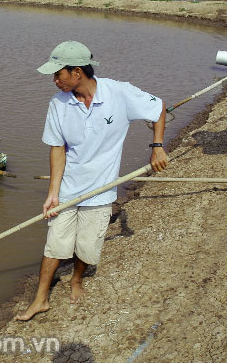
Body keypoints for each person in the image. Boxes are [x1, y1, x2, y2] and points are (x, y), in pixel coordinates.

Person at [15, 40, 168, 321]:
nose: (54, 80)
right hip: (69, 188)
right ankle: (40, 299)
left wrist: (157, 146)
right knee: (55, 245)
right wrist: (53, 194)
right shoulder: (57, 104)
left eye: (58, 74)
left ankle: (76, 280)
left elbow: (158, 107)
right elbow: (57, 149)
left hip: (101, 190)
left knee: (87, 247)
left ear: (77, 73)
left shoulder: (118, 93)